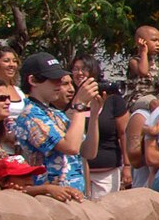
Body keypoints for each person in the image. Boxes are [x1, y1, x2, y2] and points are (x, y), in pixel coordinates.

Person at [11, 54, 99, 194]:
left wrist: (93, 115)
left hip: (71, 196)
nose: (59, 83)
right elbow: (71, 147)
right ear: (33, 80)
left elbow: (88, 152)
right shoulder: (30, 115)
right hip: (49, 199)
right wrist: (80, 106)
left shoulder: (55, 113)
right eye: (54, 79)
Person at [81, 58, 130, 199]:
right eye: (76, 69)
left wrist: (127, 165)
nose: (79, 73)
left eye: (84, 69)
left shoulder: (113, 101)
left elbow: (123, 133)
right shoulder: (69, 100)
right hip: (79, 174)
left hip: (107, 172)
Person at [127, 25, 159, 101]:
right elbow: (143, 72)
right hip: (137, 98)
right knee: (154, 103)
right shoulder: (134, 61)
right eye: (154, 40)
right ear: (141, 41)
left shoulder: (156, 63)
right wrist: (143, 52)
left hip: (155, 98)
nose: (158, 44)